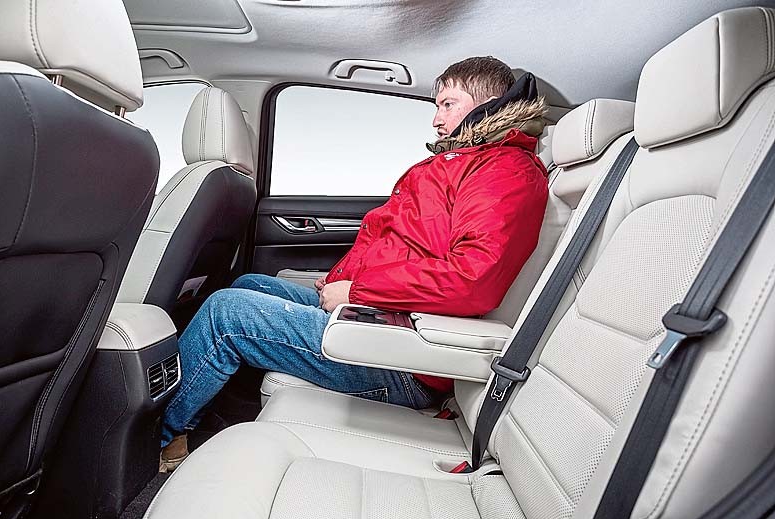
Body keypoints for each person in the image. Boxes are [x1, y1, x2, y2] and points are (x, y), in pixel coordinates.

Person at [159, 56, 549, 471]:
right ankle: (208, 408)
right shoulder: (463, 162)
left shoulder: (506, 170)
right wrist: (338, 282)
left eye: (448, 105)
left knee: (226, 313)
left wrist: (358, 291)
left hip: (405, 359)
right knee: (250, 285)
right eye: (437, 106)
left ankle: (161, 440)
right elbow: (404, 241)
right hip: (382, 318)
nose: (436, 120)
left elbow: (472, 279)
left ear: (488, 103)